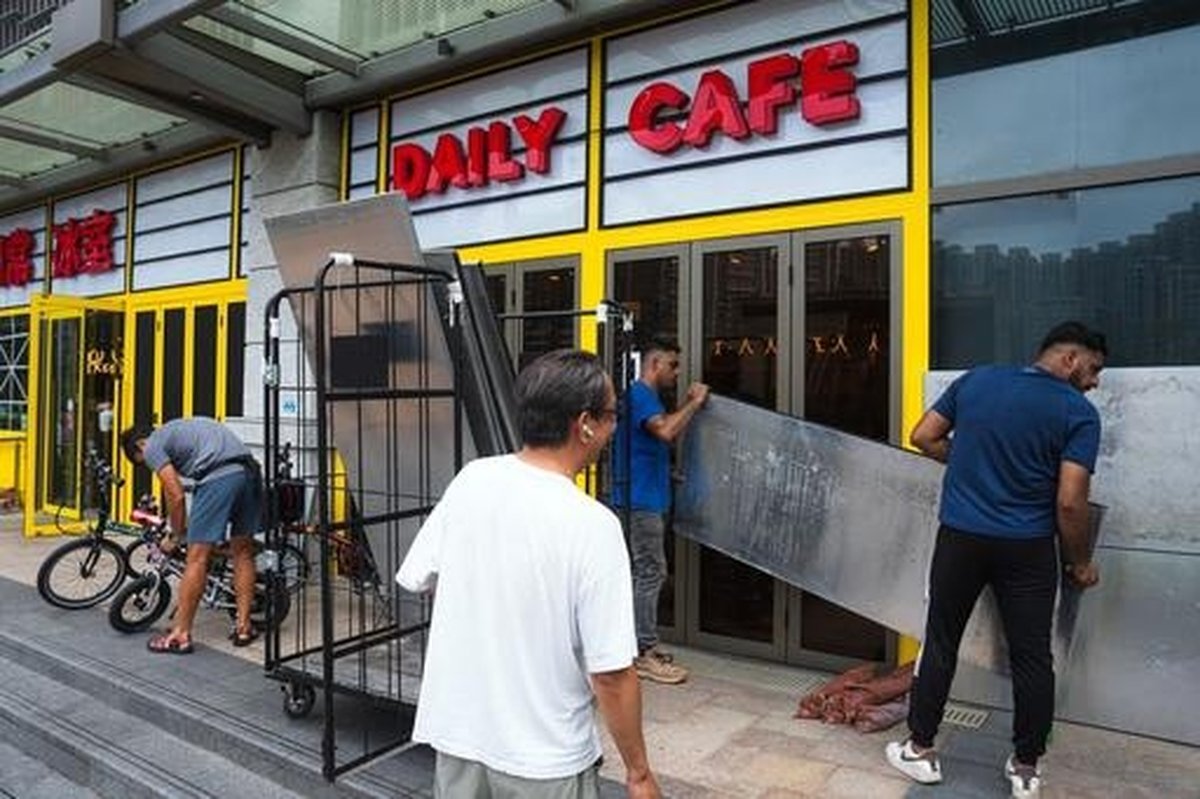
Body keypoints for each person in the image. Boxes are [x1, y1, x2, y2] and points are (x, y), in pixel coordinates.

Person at [397, 349, 660, 799]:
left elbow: (424, 581)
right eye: (612, 415)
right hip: (545, 757)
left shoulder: (472, 479)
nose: (615, 428)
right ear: (585, 424)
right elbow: (612, 674)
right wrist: (638, 773)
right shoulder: (593, 525)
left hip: (459, 737)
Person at [885, 321, 1107, 799]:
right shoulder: (1079, 413)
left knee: (941, 640)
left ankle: (920, 749)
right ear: (1069, 359)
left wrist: (966, 461)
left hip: (961, 538)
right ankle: (1025, 767)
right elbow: (1071, 503)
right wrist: (1080, 562)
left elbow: (923, 435)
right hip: (1027, 548)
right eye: (1093, 369)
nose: (1093, 383)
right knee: (1032, 656)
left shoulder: (977, 380)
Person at [611, 338, 709, 685]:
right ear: (654, 364)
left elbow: (644, 448)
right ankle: (643, 652)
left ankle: (638, 646)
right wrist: (694, 403)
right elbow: (666, 430)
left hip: (647, 497)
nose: (676, 372)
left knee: (644, 572)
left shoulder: (647, 398)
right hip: (641, 503)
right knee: (650, 571)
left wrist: (668, 473)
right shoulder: (640, 395)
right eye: (672, 365)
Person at [120, 417, 262, 654]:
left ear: (140, 445)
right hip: (249, 474)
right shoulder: (180, 429)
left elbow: (175, 495)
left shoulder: (152, 444)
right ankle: (244, 627)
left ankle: (180, 635)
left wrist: (176, 536)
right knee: (243, 553)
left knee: (196, 558)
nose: (152, 466)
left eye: (144, 462)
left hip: (219, 477)